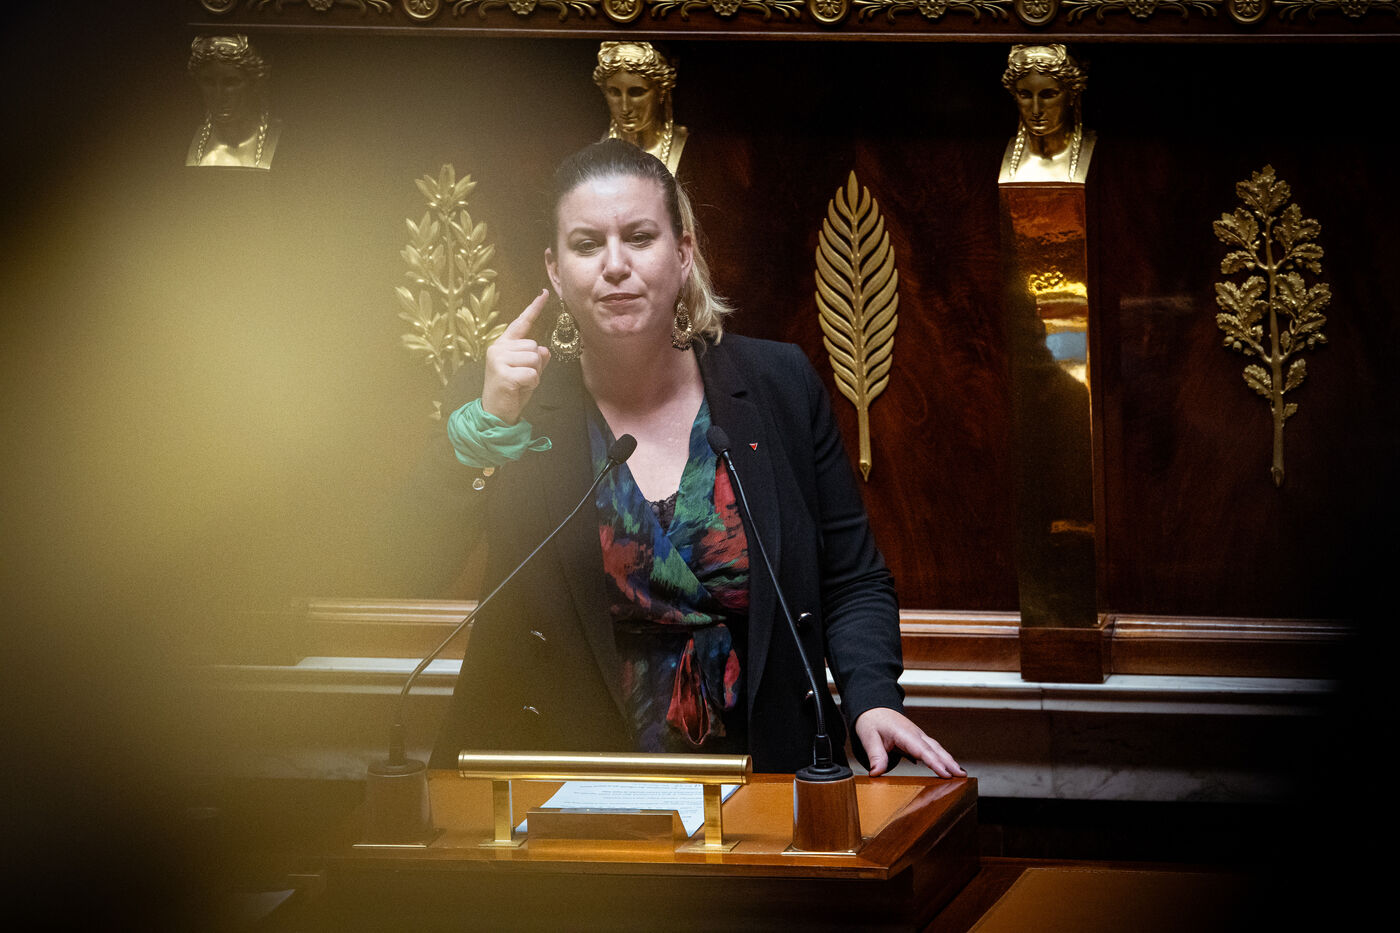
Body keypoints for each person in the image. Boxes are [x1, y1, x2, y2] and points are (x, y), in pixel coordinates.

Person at [425, 139, 962, 778]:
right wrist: (483, 435)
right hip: (559, 779)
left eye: (640, 237)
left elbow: (852, 578)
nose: (615, 265)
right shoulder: (506, 399)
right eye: (587, 245)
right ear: (555, 270)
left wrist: (872, 697)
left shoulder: (778, 385)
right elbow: (411, 564)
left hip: (765, 774)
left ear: (682, 254)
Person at [998, 44, 1094, 184]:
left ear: (1072, 95)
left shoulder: (1099, 153)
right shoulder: (993, 154)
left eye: (1048, 95)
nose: (1036, 110)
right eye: (1025, 95)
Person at [185, 35, 281, 170]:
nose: (219, 95)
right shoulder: (184, 140)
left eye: (231, 83)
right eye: (209, 82)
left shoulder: (284, 140)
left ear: (255, 83)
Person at [594, 42, 688, 177]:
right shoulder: (591, 141)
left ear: (661, 91)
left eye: (636, 92)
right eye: (614, 92)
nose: (625, 108)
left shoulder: (691, 148)